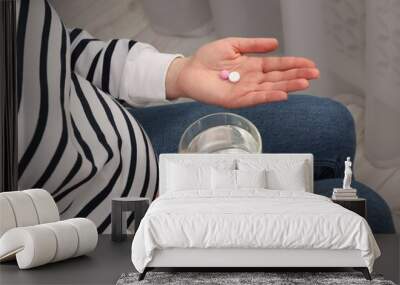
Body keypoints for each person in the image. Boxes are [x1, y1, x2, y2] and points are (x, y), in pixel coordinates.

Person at [17, 0, 394, 234]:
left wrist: (177, 74)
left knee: (333, 125)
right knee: (367, 215)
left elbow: (61, 51)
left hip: (128, 141)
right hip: (102, 233)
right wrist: (165, 220)